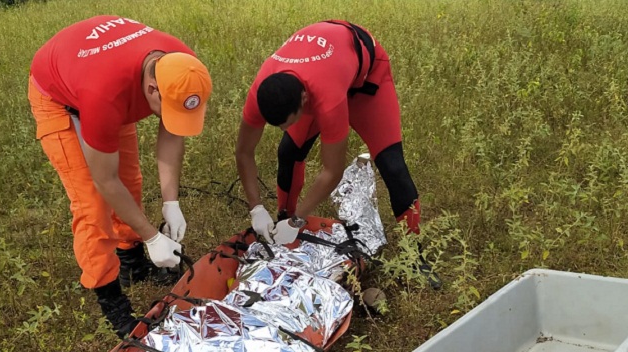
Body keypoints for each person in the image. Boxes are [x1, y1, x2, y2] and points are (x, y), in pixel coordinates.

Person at [28, 16, 213, 335]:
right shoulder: (104, 93)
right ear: (152, 89)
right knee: (93, 206)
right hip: (60, 101)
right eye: (169, 108)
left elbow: (171, 133)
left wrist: (172, 203)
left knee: (130, 182)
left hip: (106, 83)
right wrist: (154, 237)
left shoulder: (183, 69)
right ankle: (110, 296)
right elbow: (104, 180)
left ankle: (132, 262)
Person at [234, 21, 439, 288]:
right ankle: (283, 220)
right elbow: (243, 152)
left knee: (393, 167)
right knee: (288, 152)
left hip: (366, 80)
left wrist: (301, 219)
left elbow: (332, 171)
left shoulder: (326, 96)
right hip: (325, 72)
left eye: (287, 121)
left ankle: (415, 257)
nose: (284, 128)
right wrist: (256, 209)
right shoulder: (261, 91)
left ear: (305, 100)